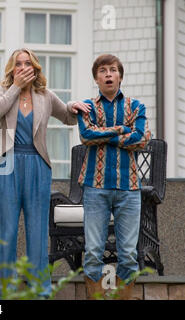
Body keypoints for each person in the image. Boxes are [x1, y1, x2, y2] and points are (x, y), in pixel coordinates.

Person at [0, 48, 90, 298]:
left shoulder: (45, 95)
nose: (22, 67)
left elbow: (67, 117)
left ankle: (39, 289)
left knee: (38, 229)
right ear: (12, 68)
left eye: (27, 64)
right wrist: (15, 87)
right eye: (18, 64)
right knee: (7, 229)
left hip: (38, 164)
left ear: (35, 68)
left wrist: (73, 105)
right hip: (8, 162)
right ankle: (5, 290)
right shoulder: (2, 90)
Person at [76, 54, 151, 300]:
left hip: (129, 188)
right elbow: (86, 136)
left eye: (113, 70)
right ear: (96, 78)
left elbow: (140, 138)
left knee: (128, 253)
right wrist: (122, 129)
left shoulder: (136, 106)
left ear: (120, 75)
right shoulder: (87, 106)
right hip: (95, 188)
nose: (108, 74)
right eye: (102, 71)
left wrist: (104, 134)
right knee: (94, 251)